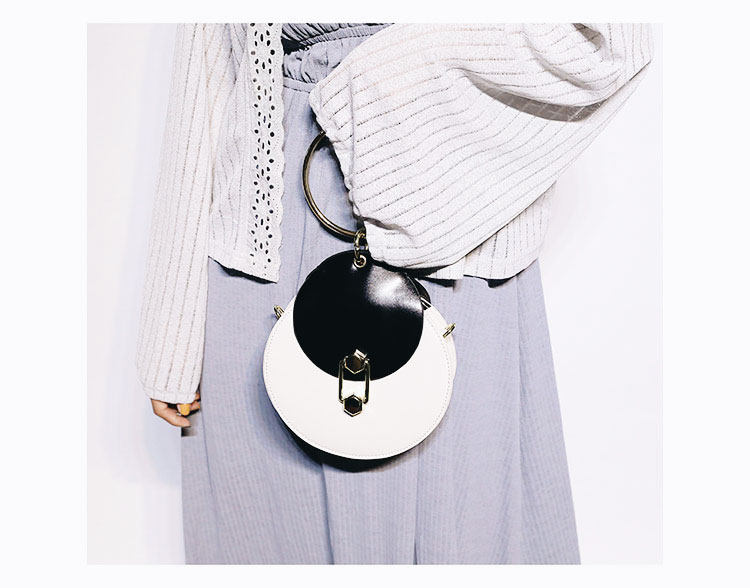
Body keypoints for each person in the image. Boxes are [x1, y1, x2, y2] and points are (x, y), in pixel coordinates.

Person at [137, 23, 653, 564]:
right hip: (269, 216)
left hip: (450, 209)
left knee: (459, 533)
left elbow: (611, 38)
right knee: (269, 534)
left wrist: (391, 75)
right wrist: (170, 334)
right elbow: (207, 63)